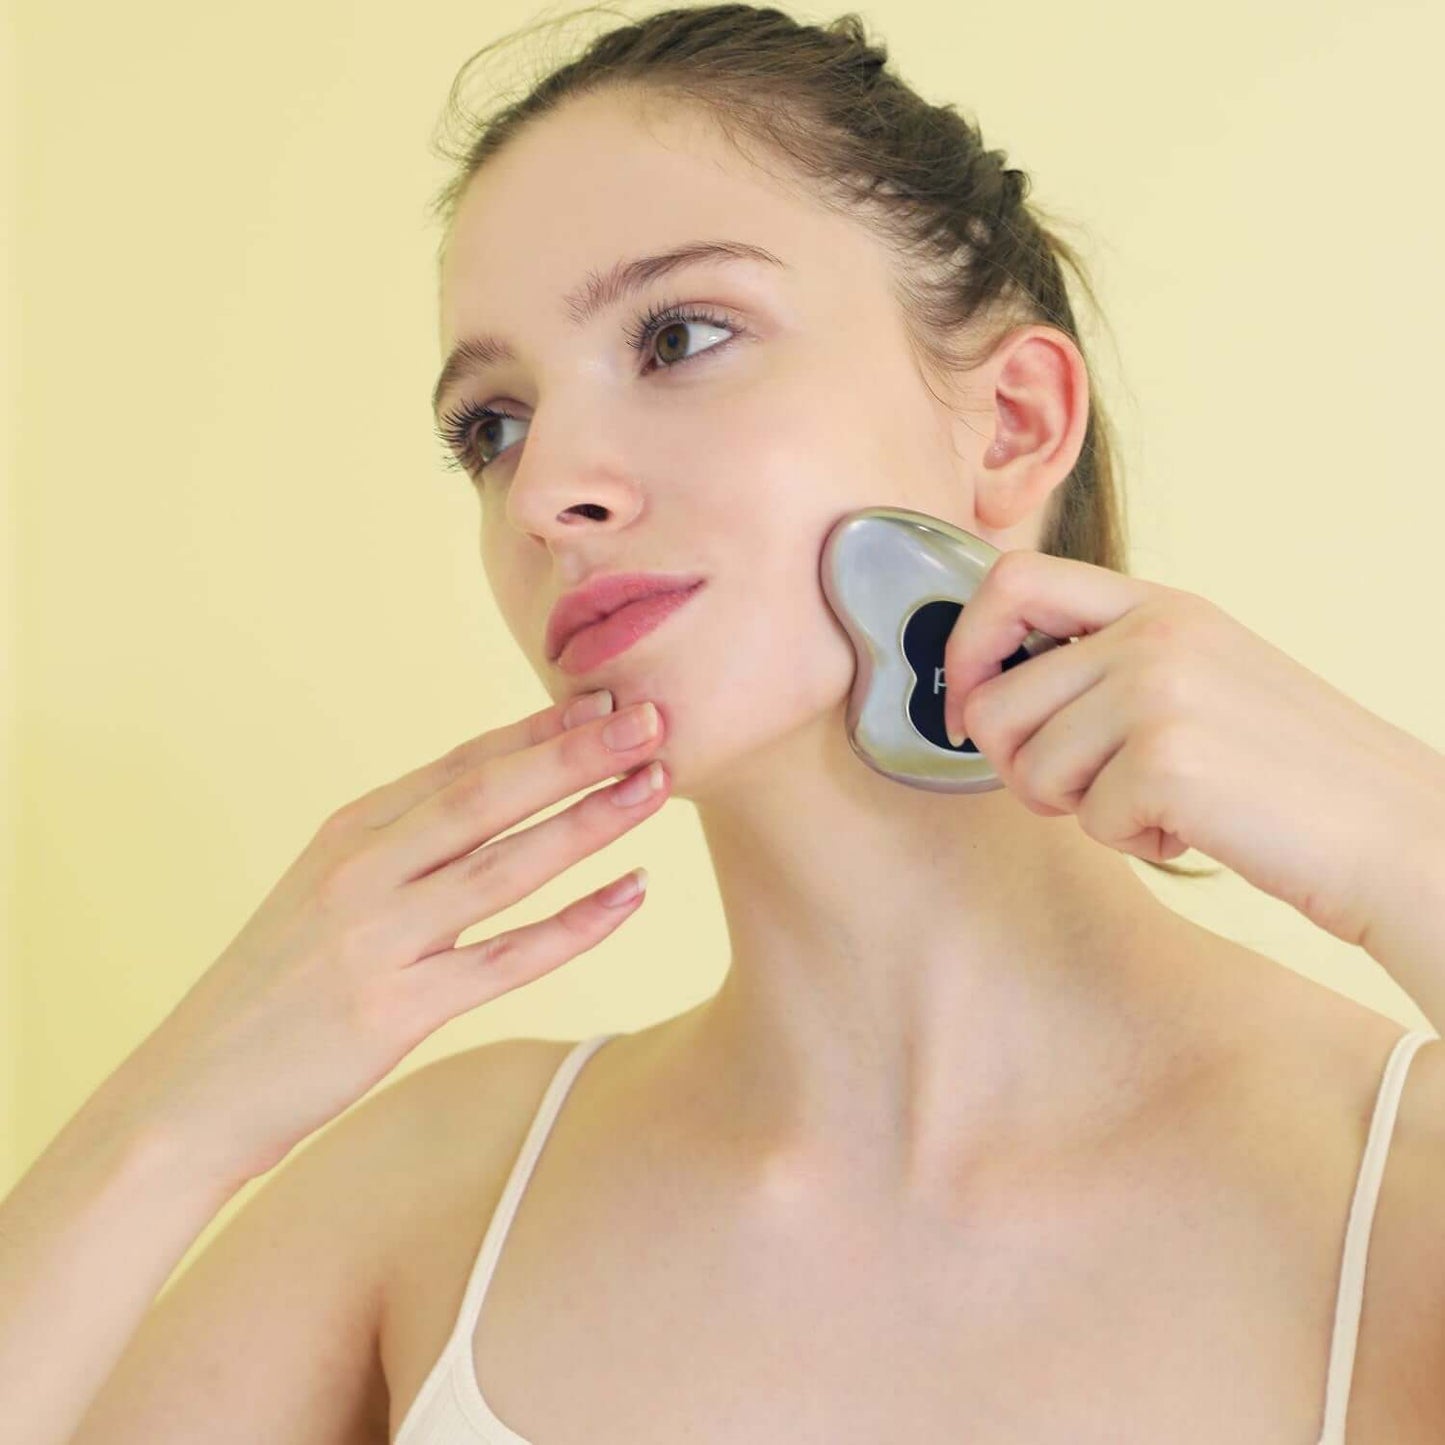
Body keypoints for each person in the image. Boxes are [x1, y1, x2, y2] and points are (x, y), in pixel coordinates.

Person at [4, 7, 1442, 1444]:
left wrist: (1410, 843)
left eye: (680, 335)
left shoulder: (1401, 1175)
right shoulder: (434, 1195)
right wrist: (170, 1122)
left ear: (1008, 422)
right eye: (490, 423)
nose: (545, 485)